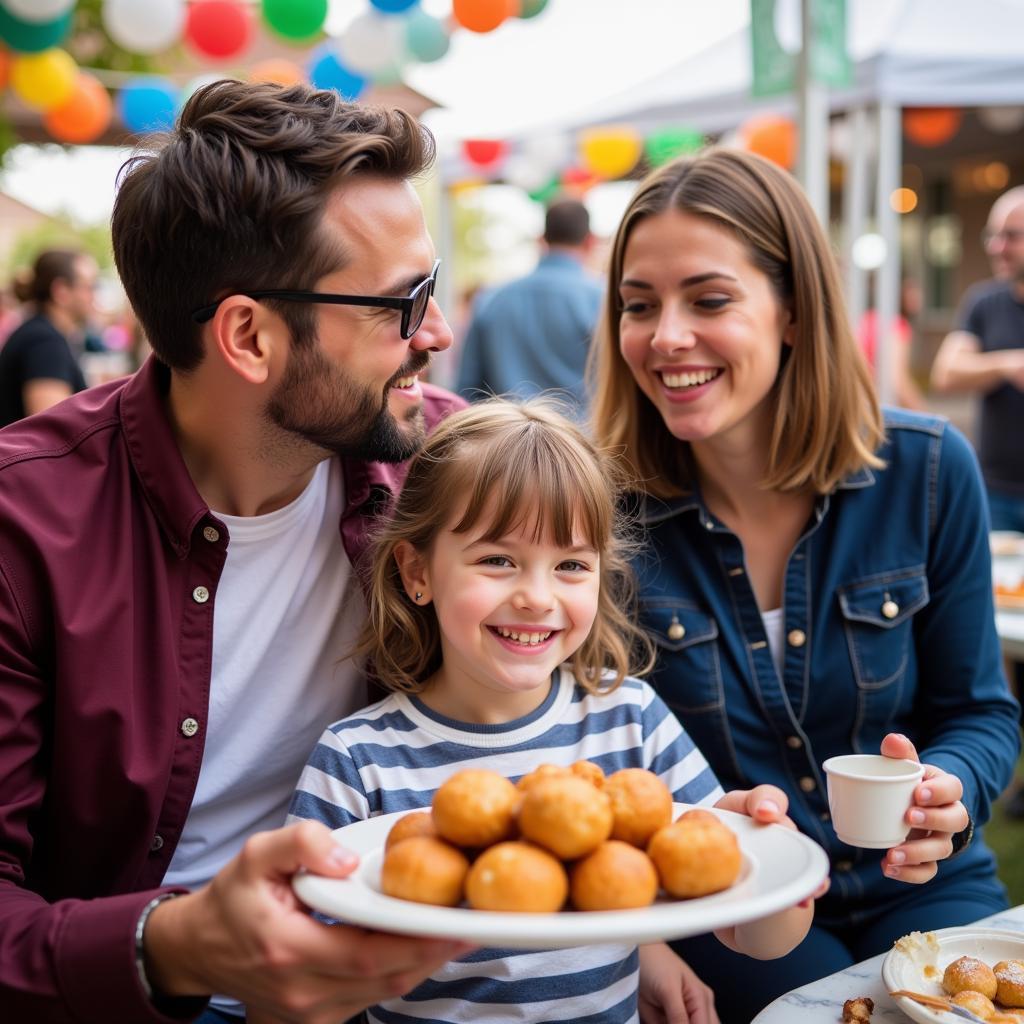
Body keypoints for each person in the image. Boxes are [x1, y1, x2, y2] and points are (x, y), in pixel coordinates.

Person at [0, 79, 472, 1024]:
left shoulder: (451, 475)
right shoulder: (24, 525)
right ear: (249, 336)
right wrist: (173, 946)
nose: (440, 333)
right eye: (402, 305)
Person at [590, 149, 1021, 1023]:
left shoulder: (928, 469)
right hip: (731, 899)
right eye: (639, 306)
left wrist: (948, 790)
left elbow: (982, 711)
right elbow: (571, 754)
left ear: (791, 312)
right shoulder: (600, 513)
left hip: (919, 883)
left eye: (708, 300)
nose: (665, 335)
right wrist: (645, 938)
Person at [285, 398, 820, 1024]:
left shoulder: (630, 720)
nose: (537, 598)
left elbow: (754, 937)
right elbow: (298, 965)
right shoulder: (357, 758)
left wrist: (773, 870)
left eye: (570, 565)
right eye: (497, 560)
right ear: (417, 570)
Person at [931, 185, 1024, 532]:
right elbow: (947, 373)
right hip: (995, 489)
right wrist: (1008, 364)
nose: (996, 247)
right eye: (993, 235)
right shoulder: (984, 302)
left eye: (1011, 236)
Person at [455, 198, 603, 412]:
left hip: (504, 441)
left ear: (542, 240)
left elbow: (467, 390)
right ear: (590, 241)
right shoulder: (602, 301)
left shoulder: (491, 299)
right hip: (582, 441)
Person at [0, 248, 95, 426]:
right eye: (89, 287)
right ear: (61, 291)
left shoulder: (40, 332)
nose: (93, 296)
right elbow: (55, 430)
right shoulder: (45, 342)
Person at [856, 277, 927, 410]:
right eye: (912, 295)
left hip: (856, 400)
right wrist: (925, 414)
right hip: (873, 404)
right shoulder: (898, 325)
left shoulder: (868, 317)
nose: (918, 300)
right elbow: (898, 381)